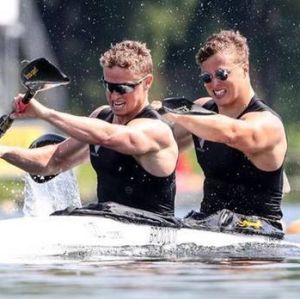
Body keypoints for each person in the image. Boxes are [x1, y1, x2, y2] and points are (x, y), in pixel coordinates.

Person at [0, 40, 178, 222]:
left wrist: (45, 114)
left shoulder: (156, 130)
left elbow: (109, 136)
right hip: (107, 227)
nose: (114, 95)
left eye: (122, 88)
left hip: (153, 236)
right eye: (108, 86)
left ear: (147, 82)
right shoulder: (101, 117)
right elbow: (53, 161)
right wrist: (4, 151)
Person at [161, 30, 287, 238]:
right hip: (207, 222)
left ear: (245, 69)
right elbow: (160, 140)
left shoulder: (267, 123)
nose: (214, 84)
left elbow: (231, 133)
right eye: (207, 77)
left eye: (221, 74)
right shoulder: (201, 110)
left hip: (258, 230)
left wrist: (176, 113)